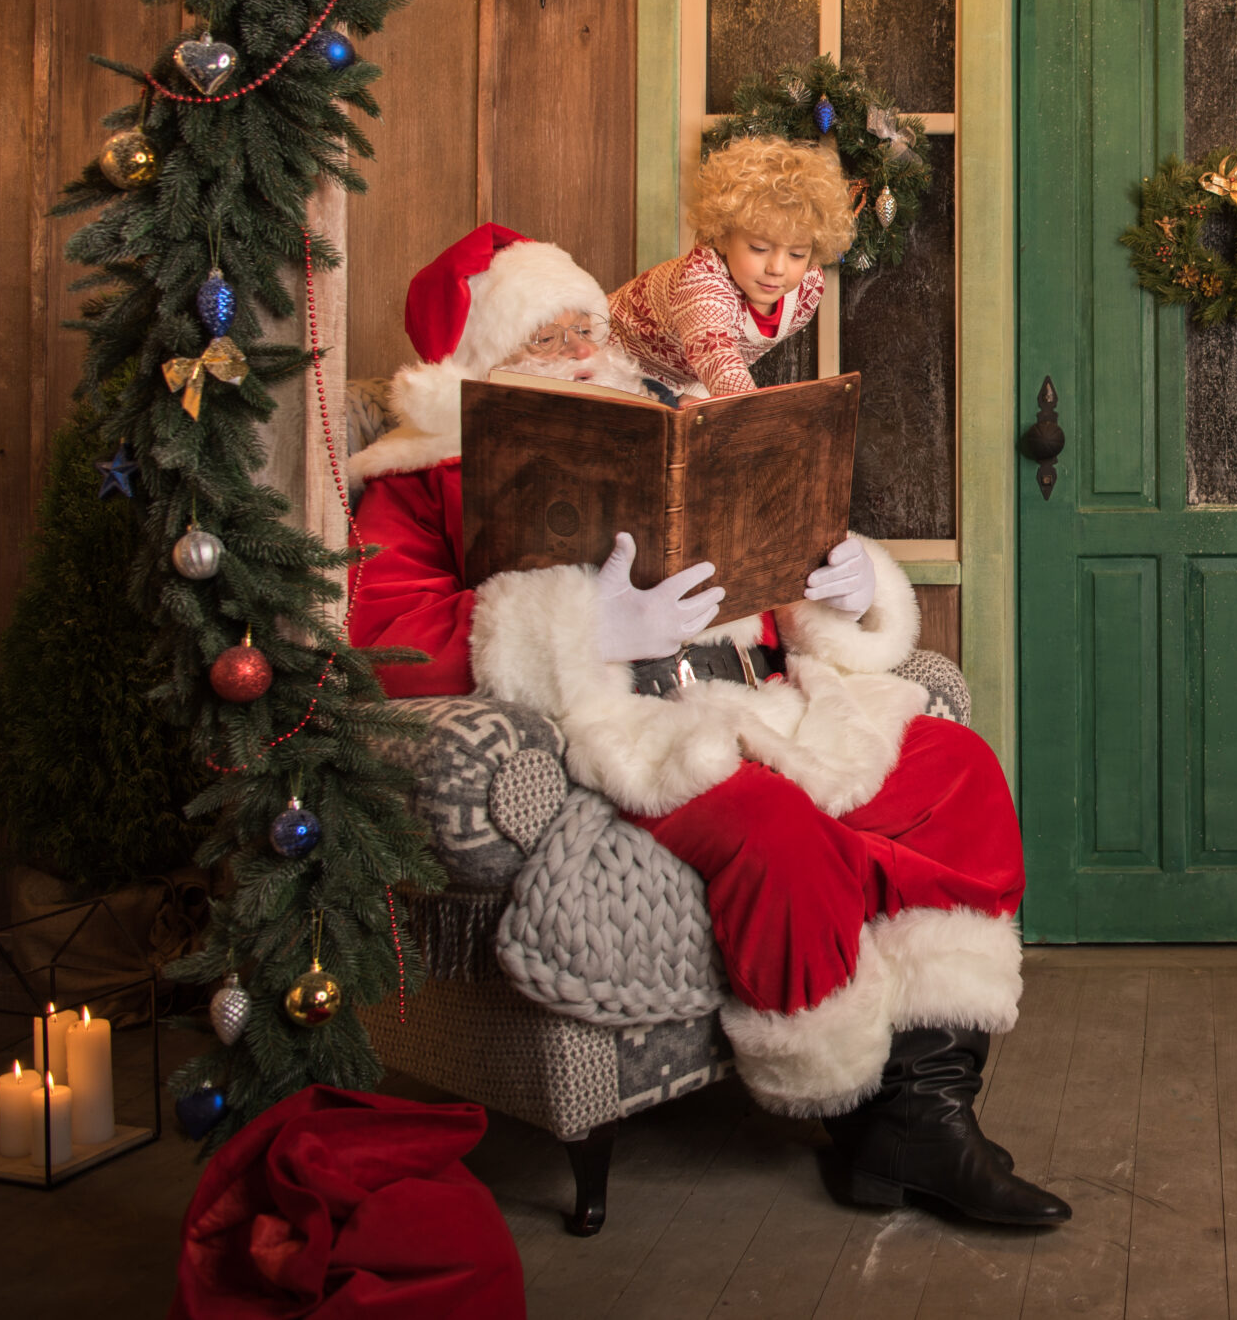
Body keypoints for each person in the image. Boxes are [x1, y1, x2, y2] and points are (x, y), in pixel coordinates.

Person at [348, 224, 1068, 1227]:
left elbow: (752, 572)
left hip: (751, 691)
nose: (579, 352)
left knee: (952, 765)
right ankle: (862, 1112)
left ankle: (931, 1106)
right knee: (778, 832)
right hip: (616, 732)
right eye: (544, 340)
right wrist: (584, 626)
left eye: (583, 328)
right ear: (476, 363)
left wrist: (841, 582)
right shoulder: (415, 473)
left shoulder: (661, 421)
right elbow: (378, 634)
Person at [606, 134, 839, 398]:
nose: (777, 268)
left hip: (683, 373)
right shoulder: (702, 284)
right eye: (759, 248)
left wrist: (696, 389)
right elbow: (719, 361)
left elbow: (736, 349)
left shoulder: (808, 289)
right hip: (609, 358)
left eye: (797, 254)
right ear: (723, 237)